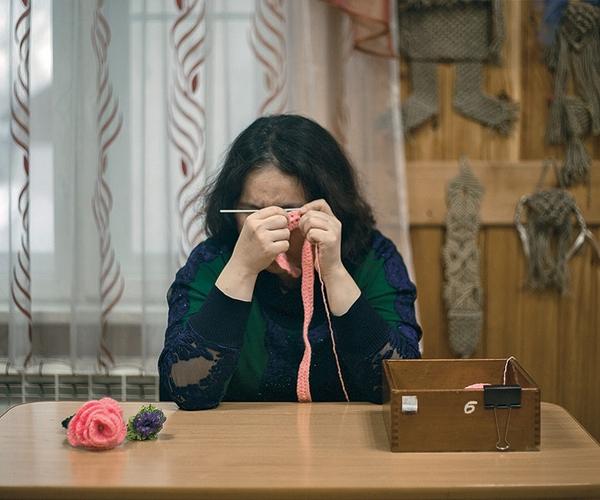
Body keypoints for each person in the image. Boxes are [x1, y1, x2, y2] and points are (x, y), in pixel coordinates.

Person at [158, 114, 421, 410]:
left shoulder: (372, 257)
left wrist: (335, 272)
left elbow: (402, 385)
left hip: (346, 436)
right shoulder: (213, 261)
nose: (268, 227)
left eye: (288, 212)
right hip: (236, 437)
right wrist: (242, 269)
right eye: (252, 211)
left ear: (327, 206)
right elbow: (184, 389)